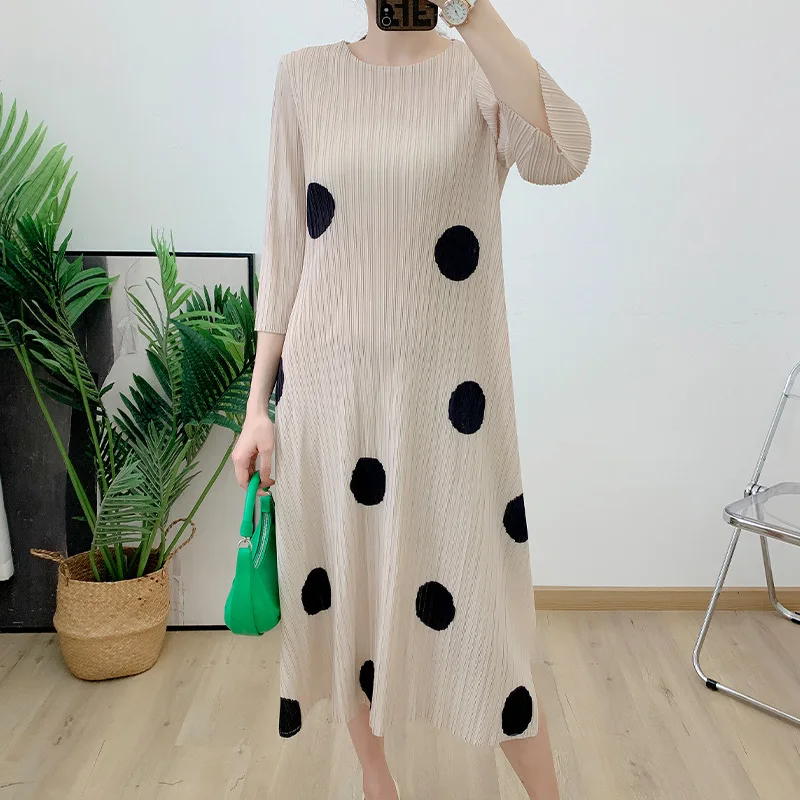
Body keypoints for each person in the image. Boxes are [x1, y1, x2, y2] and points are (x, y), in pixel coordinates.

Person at [232, 1, 590, 798]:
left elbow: (564, 154)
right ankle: (377, 782)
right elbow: (286, 248)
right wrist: (258, 409)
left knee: (483, 617)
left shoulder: (479, 73)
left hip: (451, 406)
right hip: (327, 397)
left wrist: (472, 12)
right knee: (351, 597)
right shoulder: (304, 77)